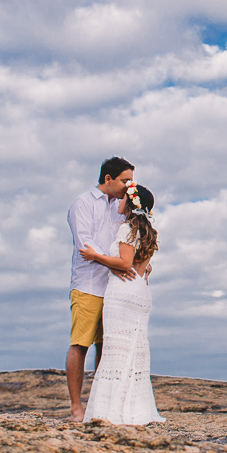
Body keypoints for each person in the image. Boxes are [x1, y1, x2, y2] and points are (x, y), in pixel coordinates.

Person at [79, 181, 165, 425]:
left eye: (124, 198)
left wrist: (97, 256)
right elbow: (141, 266)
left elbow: (125, 264)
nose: (119, 201)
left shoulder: (127, 228)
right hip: (140, 292)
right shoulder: (148, 230)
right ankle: (135, 409)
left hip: (123, 293)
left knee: (116, 349)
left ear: (131, 204)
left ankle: (110, 411)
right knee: (135, 348)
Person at [65, 156, 135, 423]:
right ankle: (76, 408)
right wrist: (116, 263)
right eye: (124, 180)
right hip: (87, 284)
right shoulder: (82, 204)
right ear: (108, 179)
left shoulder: (120, 207)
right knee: (80, 344)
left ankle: (99, 405)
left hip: (114, 286)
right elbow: (86, 247)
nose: (129, 186)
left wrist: (127, 263)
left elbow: (123, 241)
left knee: (105, 346)